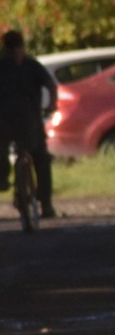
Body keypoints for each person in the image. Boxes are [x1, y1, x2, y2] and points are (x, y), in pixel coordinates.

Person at [0, 29, 57, 218]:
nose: (15, 52)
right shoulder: (10, 66)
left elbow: (50, 85)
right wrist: (50, 105)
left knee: (41, 157)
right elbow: (51, 85)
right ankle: (3, 178)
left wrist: (51, 105)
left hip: (28, 120)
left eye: (17, 48)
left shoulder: (32, 66)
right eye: (11, 48)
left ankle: (45, 202)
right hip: (8, 121)